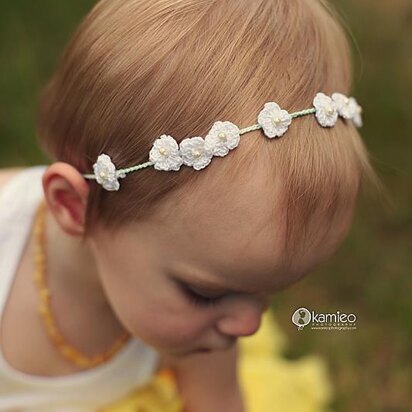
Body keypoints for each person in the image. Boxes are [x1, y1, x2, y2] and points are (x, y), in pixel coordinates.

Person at [0, 0, 379, 411]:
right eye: (204, 294)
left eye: (268, 292)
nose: (249, 326)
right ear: (74, 206)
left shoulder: (200, 334)